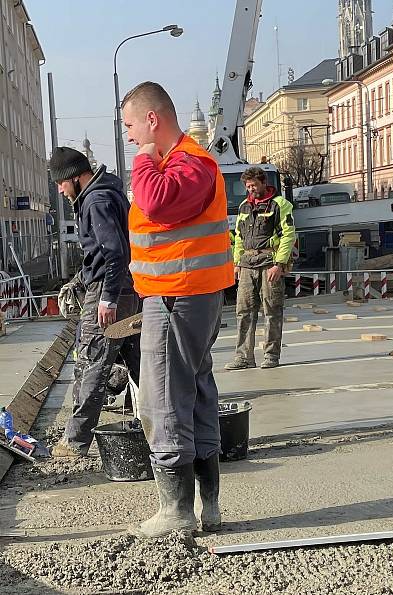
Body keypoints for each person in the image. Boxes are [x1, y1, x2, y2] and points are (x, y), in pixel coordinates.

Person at [122, 81, 234, 538]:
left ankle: (176, 511)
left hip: (176, 296)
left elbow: (154, 201)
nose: (128, 136)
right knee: (196, 391)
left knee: (163, 398)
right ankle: (207, 505)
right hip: (187, 295)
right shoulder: (187, 163)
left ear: (152, 120)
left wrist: (144, 157)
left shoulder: (190, 164)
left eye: (130, 125)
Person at [48, 147, 141, 458]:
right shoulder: (108, 192)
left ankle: (75, 443)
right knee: (140, 363)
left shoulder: (95, 200)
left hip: (110, 291)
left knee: (92, 362)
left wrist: (106, 298)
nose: (60, 191)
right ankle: (158, 425)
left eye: (62, 183)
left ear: (76, 177)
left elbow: (114, 253)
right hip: (128, 290)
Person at [225, 167, 295, 370]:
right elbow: (238, 236)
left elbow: (288, 235)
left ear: (263, 182)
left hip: (269, 264)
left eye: (254, 185)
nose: (251, 189)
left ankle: (271, 355)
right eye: (247, 186)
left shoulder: (280, 204)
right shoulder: (244, 206)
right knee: (243, 311)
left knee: (272, 310)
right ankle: (244, 357)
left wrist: (279, 264)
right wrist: (237, 263)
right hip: (247, 264)